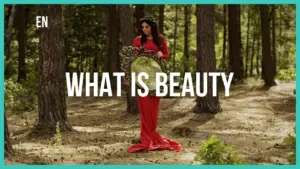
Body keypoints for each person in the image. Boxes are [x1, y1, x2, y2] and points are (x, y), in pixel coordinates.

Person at [127, 17, 183, 153]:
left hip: (156, 79)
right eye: (143, 27)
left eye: (147, 27)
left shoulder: (161, 39)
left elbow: (166, 55)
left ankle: (152, 132)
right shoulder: (138, 40)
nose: (144, 29)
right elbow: (133, 59)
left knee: (153, 108)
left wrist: (160, 55)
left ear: (152, 27)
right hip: (142, 79)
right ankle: (145, 136)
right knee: (144, 107)